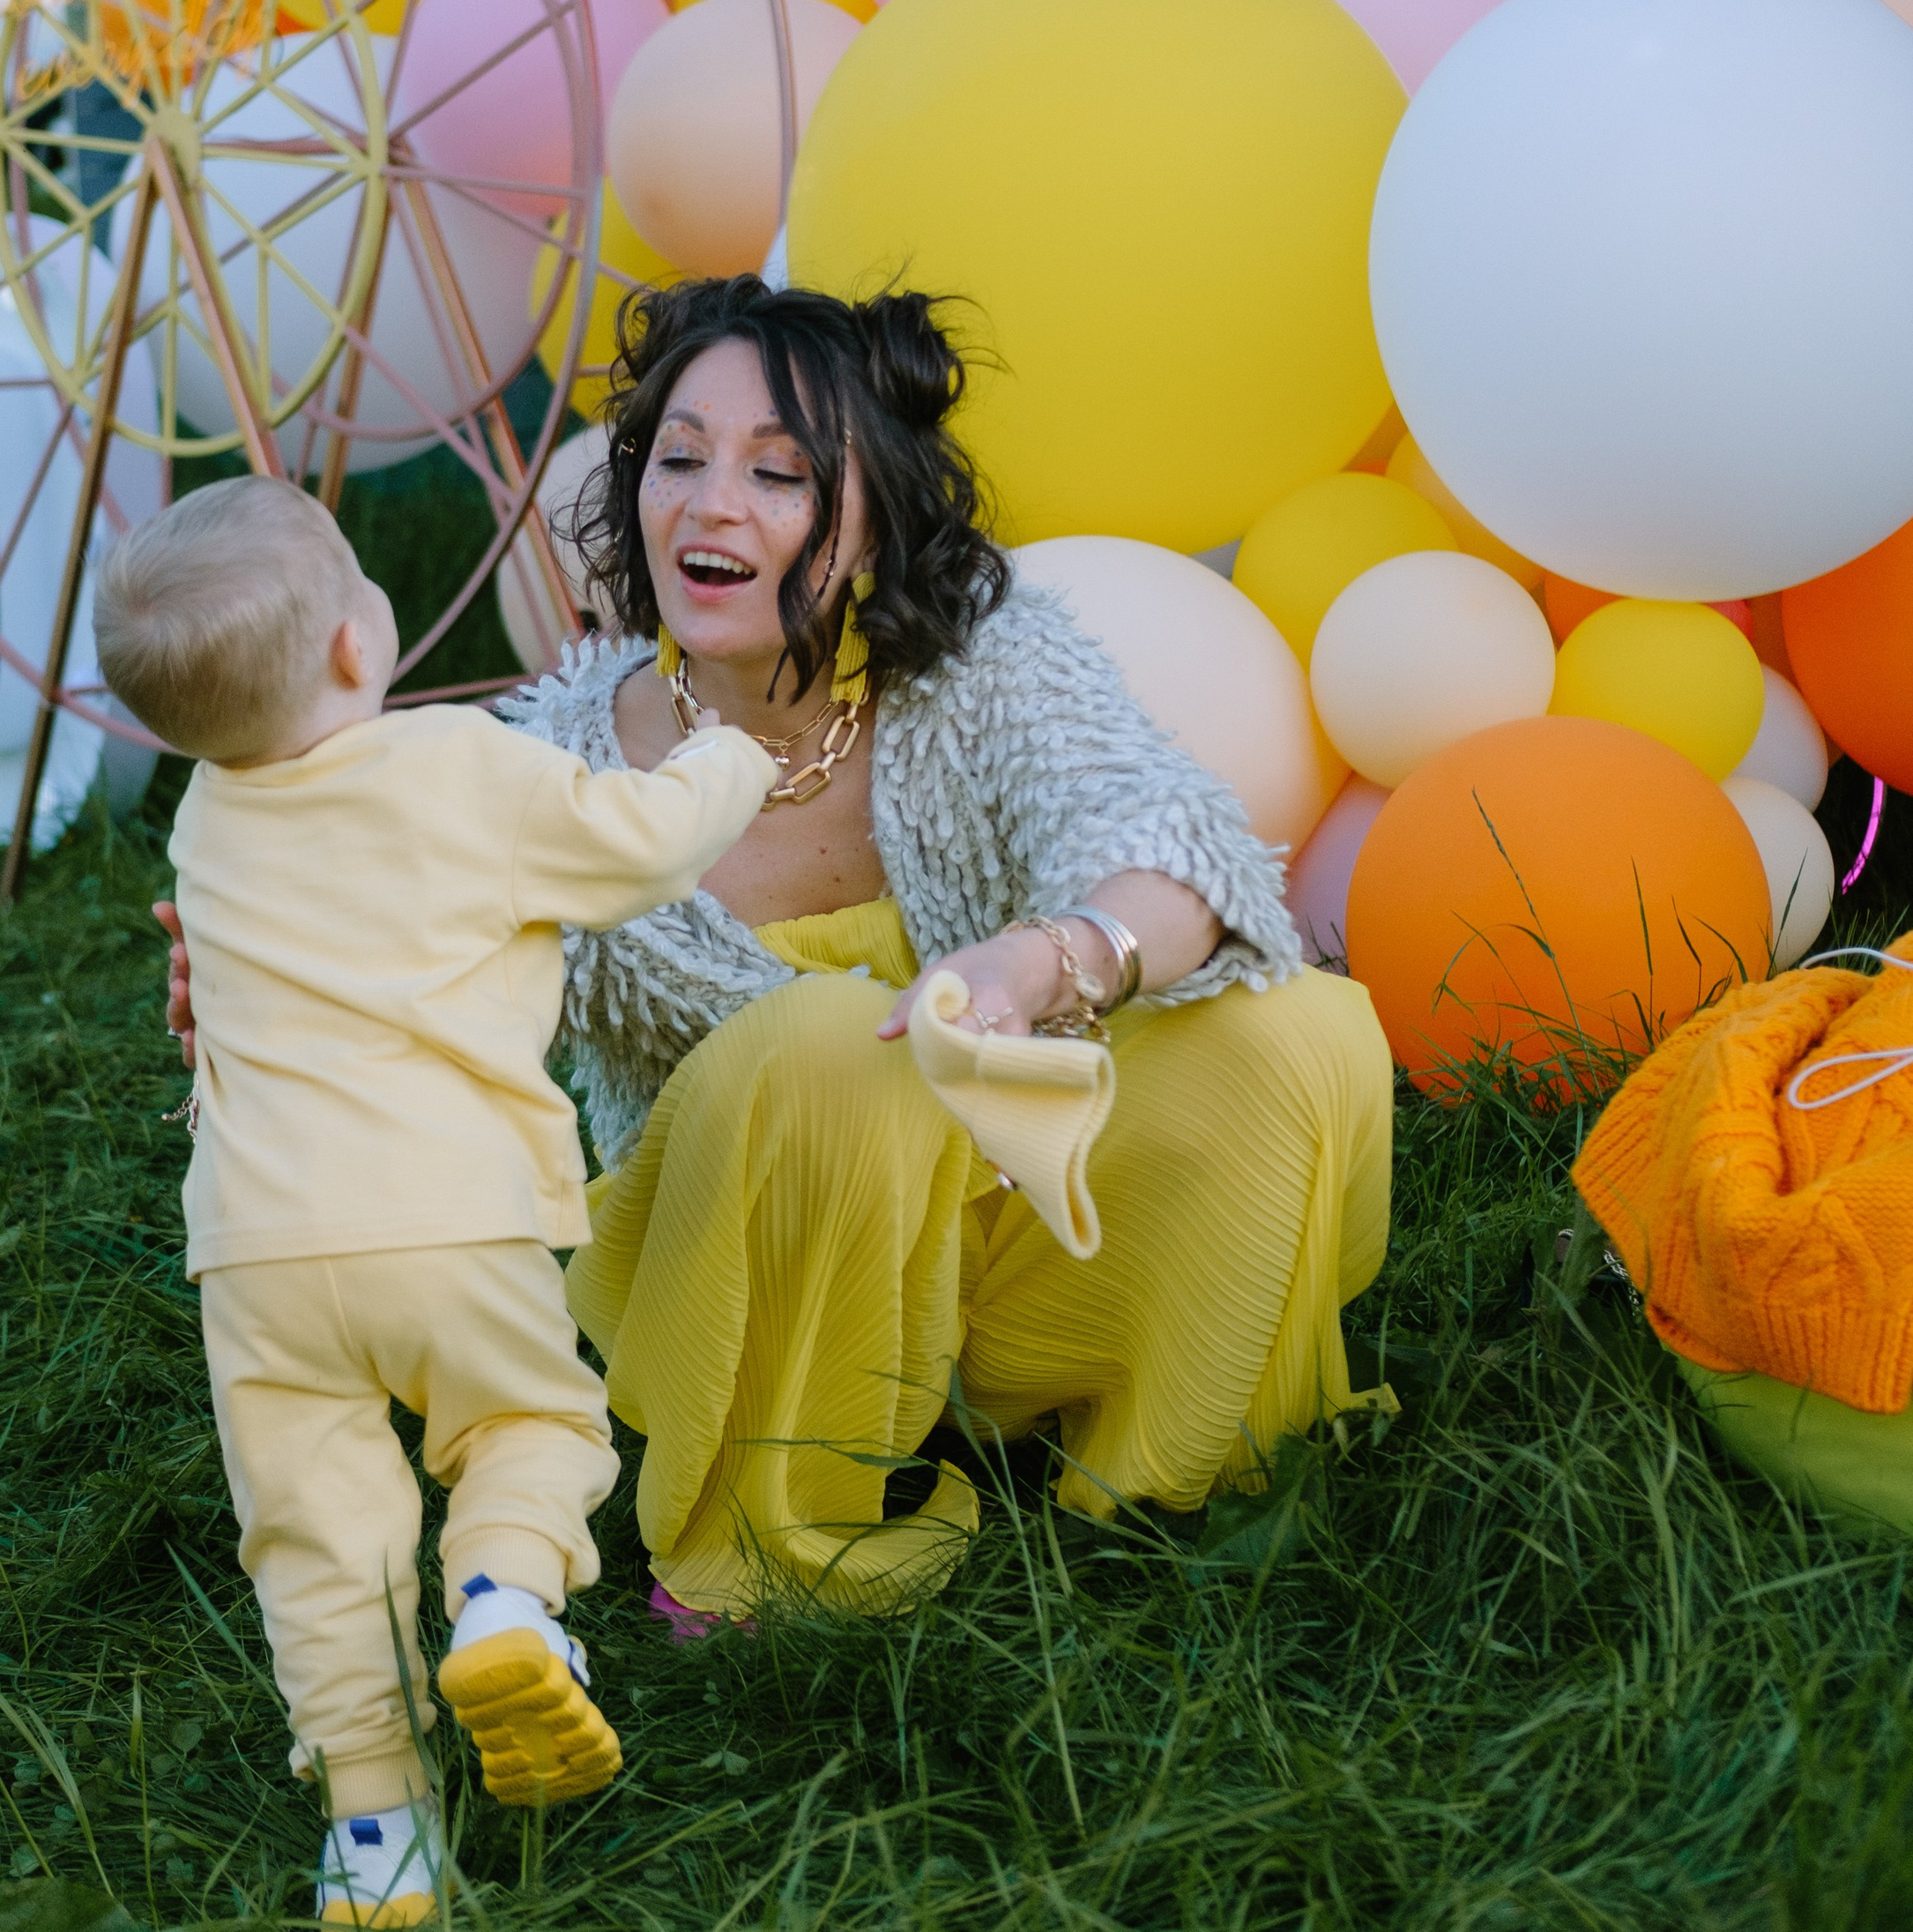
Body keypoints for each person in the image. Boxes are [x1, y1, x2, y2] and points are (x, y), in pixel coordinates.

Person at [498, 277, 1396, 1623]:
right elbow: (409, 960)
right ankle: (759, 1548)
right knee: (833, 1047)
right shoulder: (554, 776)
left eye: (779, 474)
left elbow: (1172, 842)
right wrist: (264, 983)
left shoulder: (981, 663)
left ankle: (1185, 1472)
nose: (711, 506)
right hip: (751, 1290)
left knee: (1294, 1026)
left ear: (874, 524)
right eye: (678, 459)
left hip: (1007, 1229)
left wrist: (1045, 961)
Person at [100, 473, 771, 1930]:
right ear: (362, 641)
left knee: (314, 1534)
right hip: (450, 1215)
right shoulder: (461, 763)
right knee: (532, 1426)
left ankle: (375, 1834)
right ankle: (506, 1603)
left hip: (259, 1255)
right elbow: (643, 846)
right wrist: (731, 754)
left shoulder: (206, 822)